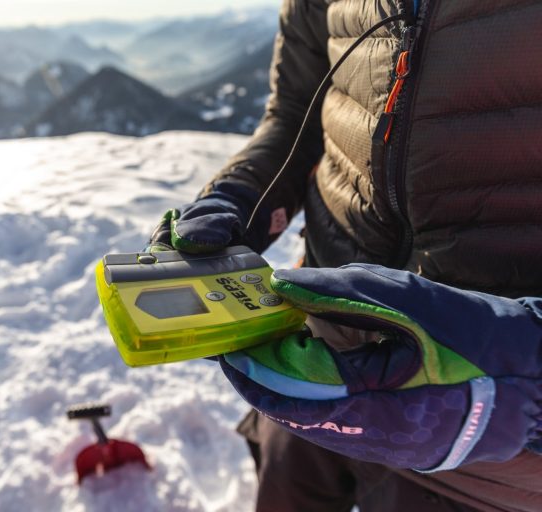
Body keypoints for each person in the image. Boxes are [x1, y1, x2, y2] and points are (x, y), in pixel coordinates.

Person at [147, 0, 542, 510]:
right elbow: (295, 118)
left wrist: (524, 383)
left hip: (487, 462)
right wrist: (236, 198)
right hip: (309, 371)